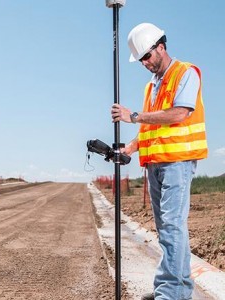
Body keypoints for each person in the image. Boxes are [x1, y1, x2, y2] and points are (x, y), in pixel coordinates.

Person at [111, 23, 208, 300]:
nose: (144, 63)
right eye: (140, 59)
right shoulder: (151, 86)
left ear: (161, 47)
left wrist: (134, 116)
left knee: (173, 226)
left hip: (177, 162)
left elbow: (179, 114)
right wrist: (129, 148)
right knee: (166, 229)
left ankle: (173, 293)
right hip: (155, 163)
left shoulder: (185, 73)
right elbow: (150, 129)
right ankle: (171, 288)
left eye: (147, 56)